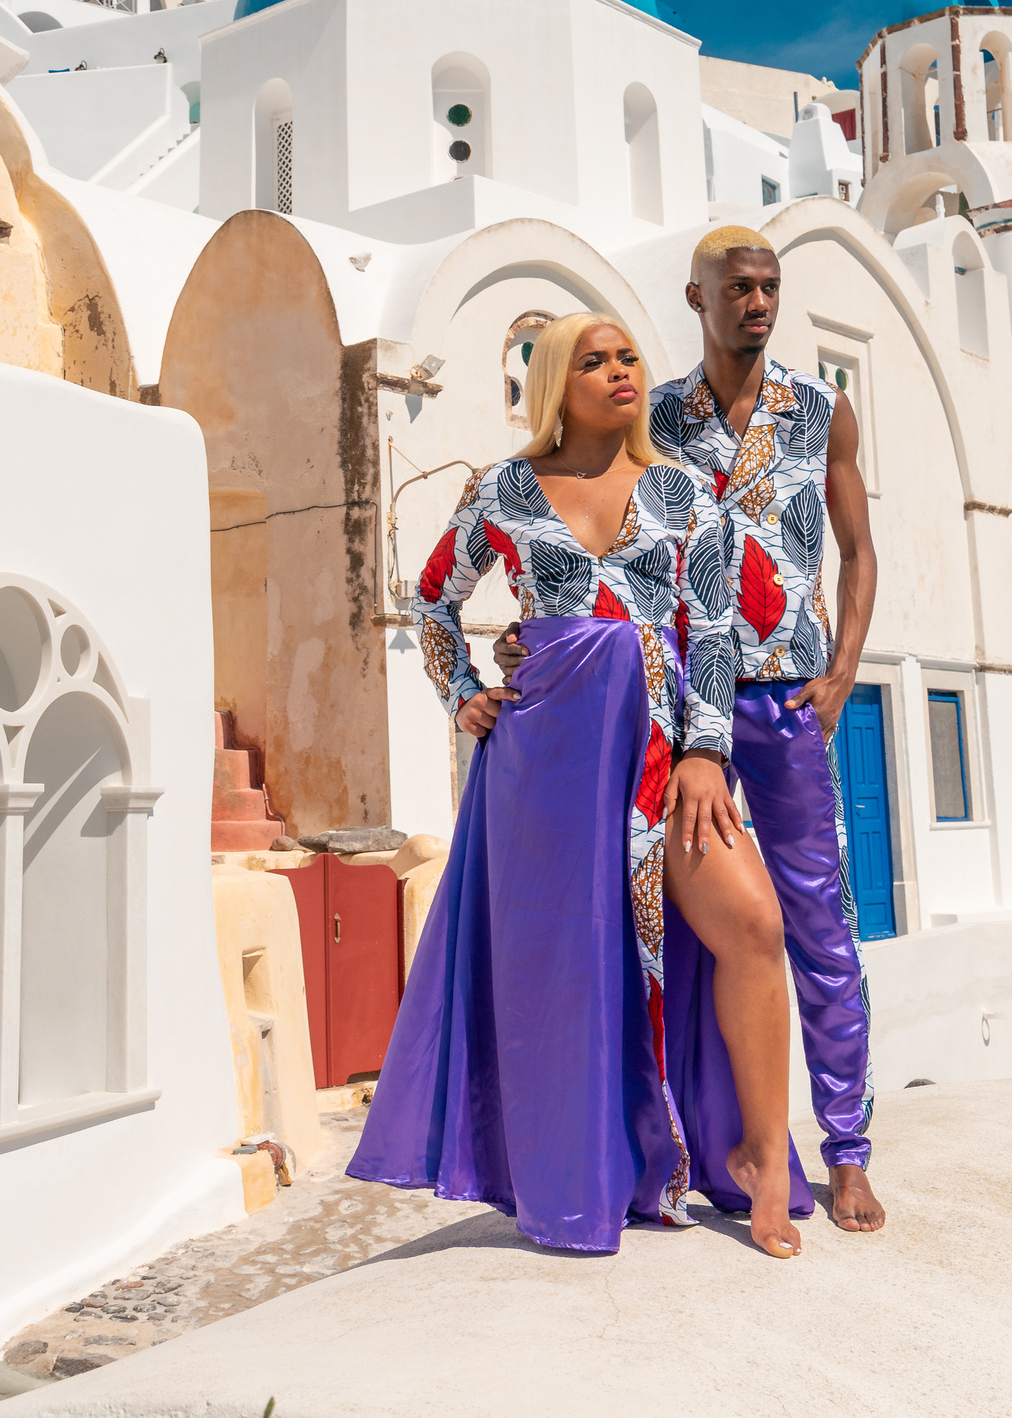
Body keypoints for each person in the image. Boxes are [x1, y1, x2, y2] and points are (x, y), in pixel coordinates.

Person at [349, 311, 812, 1258]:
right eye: (593, 361)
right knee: (566, 976)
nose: (618, 371)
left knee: (753, 925)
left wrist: (706, 750)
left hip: (664, 753)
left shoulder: (684, 492)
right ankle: (573, 1176)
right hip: (546, 763)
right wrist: (463, 693)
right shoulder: (504, 489)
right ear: (556, 380)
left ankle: (764, 1157)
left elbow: (712, 630)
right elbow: (433, 595)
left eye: (627, 355)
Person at [505, 227, 888, 1235]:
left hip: (790, 697)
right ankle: (691, 1143)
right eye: (739, 288)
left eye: (770, 287)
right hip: (677, 708)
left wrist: (845, 668)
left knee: (820, 922)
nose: (757, 303)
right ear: (698, 298)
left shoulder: (822, 410)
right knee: (681, 923)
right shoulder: (653, 414)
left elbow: (858, 549)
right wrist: (534, 633)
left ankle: (846, 1151)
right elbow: (592, 534)